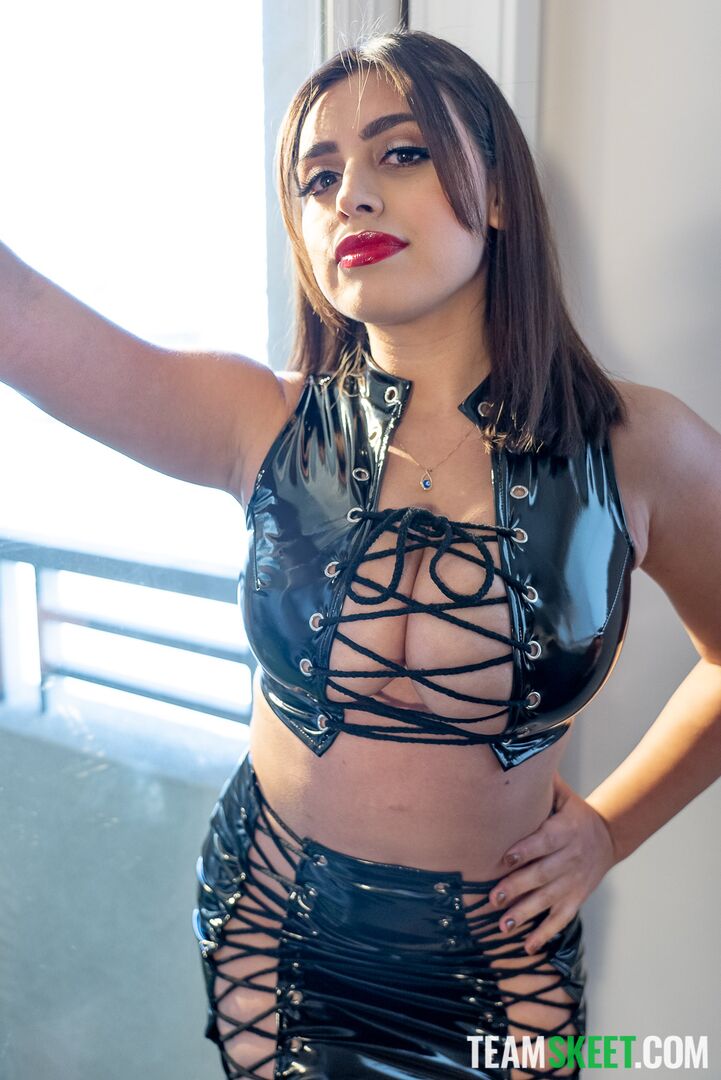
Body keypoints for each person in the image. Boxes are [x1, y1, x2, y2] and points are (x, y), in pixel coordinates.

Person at [1, 26, 720, 1080]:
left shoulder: (640, 447)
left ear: (499, 194)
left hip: (501, 964)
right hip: (269, 923)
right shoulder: (257, 421)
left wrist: (609, 829)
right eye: (318, 176)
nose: (353, 196)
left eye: (402, 152)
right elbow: (18, 317)